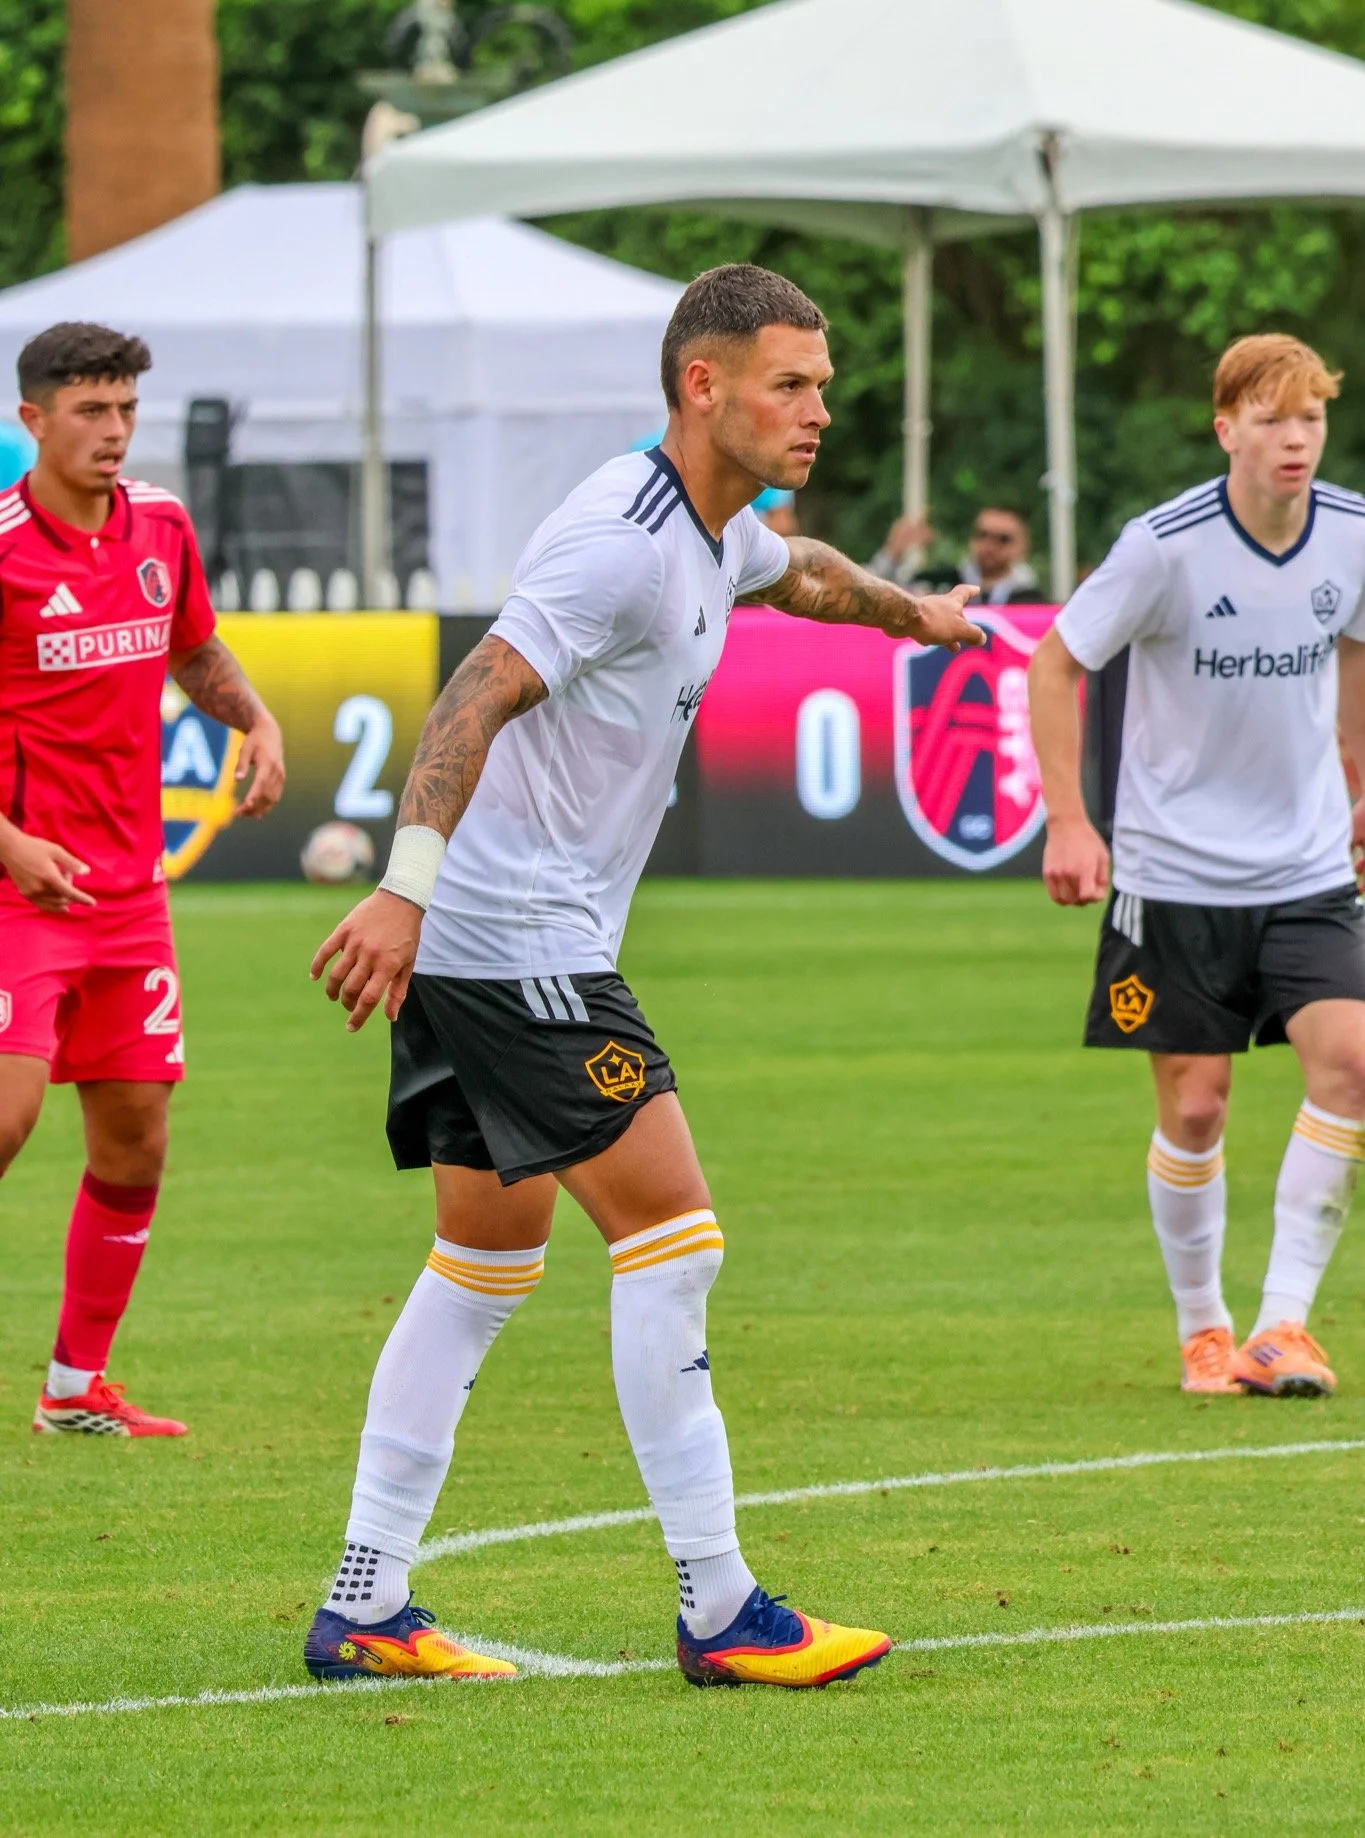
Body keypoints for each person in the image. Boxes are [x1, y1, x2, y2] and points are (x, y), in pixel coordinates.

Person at [305, 263, 984, 1688]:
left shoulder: (711, 528)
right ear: (702, 385)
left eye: (822, 385)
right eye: (790, 384)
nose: (818, 411)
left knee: (483, 1263)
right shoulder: (617, 538)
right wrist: (398, 892)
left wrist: (909, 612)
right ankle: (722, 1605)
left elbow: (800, 572)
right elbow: (471, 695)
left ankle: (365, 1599)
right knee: (677, 1237)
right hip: (517, 943)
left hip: (502, 948)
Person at [1028, 332, 1365, 1399]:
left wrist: (1359, 782)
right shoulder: (1163, 547)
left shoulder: (1353, 534)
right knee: (1198, 1111)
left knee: (1353, 1063)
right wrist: (1070, 820)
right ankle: (1204, 1328)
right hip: (1172, 878)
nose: (1295, 438)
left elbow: (1356, 648)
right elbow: (1053, 660)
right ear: (1227, 430)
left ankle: (1283, 1325)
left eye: (1310, 416)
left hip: (1308, 868)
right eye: (1271, 419)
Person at [0, 322, 285, 1436]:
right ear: (32, 421)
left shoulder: (161, 524)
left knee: (135, 1136)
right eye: (90, 411)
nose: (114, 431)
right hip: (22, 889)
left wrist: (255, 716)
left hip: (130, 893)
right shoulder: (5, 551)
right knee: (11, 1118)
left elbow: (193, 649)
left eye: (124, 410)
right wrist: (11, 843)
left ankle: (75, 1388)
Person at [870, 505, 1038, 602]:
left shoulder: (1034, 600)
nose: (989, 545)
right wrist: (893, 552)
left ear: (1023, 546)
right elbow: (874, 594)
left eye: (1002, 539)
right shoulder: (939, 584)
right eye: (982, 535)